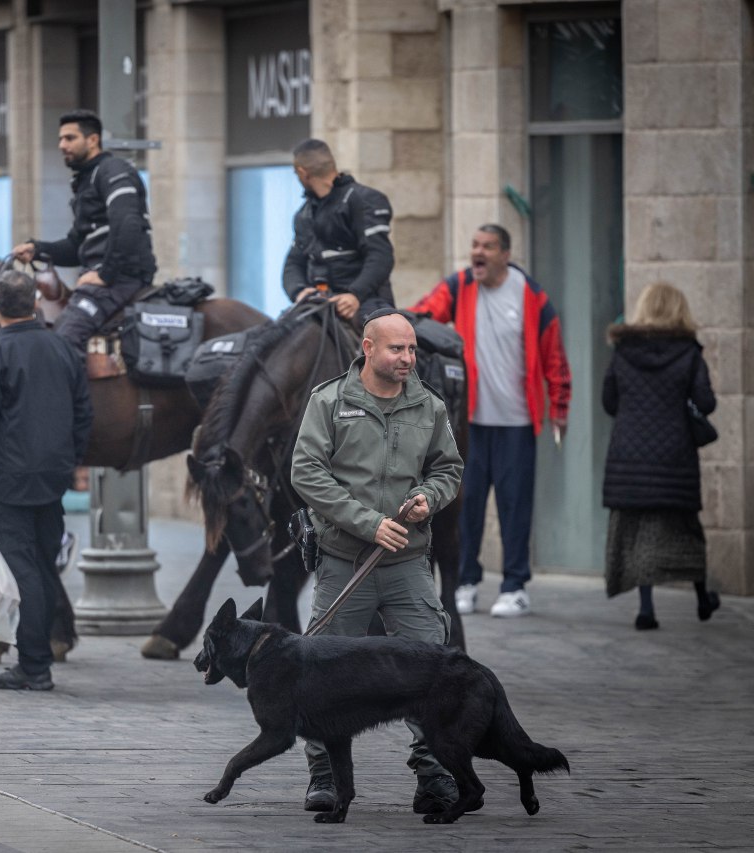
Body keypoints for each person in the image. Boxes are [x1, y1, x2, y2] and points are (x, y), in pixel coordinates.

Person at [290, 310, 464, 815]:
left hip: (408, 562)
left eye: (412, 350)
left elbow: (449, 468)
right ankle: (323, 774)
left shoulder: (428, 406)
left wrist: (431, 497)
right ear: (368, 348)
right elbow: (307, 472)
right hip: (345, 559)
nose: (408, 359)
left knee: (432, 666)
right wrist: (366, 522)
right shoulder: (329, 402)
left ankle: (433, 774)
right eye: (397, 350)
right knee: (322, 668)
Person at [409, 225, 571, 619]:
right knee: (467, 505)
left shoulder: (532, 296)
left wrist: (560, 408)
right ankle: (466, 582)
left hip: (518, 422)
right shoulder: (460, 286)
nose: (477, 253)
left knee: (516, 507)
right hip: (470, 422)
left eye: (487, 247)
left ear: (505, 253)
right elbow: (419, 314)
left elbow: (554, 358)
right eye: (474, 245)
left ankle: (515, 587)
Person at [0, 270, 93, 691]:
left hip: (9, 481)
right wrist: (71, 461)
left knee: (24, 572)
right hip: (51, 479)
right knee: (42, 566)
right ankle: (40, 653)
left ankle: (34, 666)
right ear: (35, 304)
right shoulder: (62, 349)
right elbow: (84, 414)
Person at [602, 283, 720, 630]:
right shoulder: (688, 352)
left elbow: (609, 401)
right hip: (675, 453)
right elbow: (707, 402)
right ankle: (702, 598)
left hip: (628, 454)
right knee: (685, 526)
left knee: (637, 529)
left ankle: (646, 609)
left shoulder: (624, 350)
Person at [11, 109, 156, 352]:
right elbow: (76, 246)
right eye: (60, 139)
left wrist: (105, 275)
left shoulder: (114, 170)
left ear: (92, 140)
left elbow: (127, 223)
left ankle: (71, 392)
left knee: (63, 341)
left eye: (70, 138)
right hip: (103, 278)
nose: (61, 145)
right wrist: (37, 250)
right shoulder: (85, 180)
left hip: (122, 279)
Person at [282, 138, 395, 323]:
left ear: (303, 173)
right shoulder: (303, 214)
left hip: (365, 302)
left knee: (376, 341)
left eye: (296, 174)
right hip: (317, 304)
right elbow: (293, 262)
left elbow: (380, 256)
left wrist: (354, 295)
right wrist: (299, 291)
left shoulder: (364, 200)